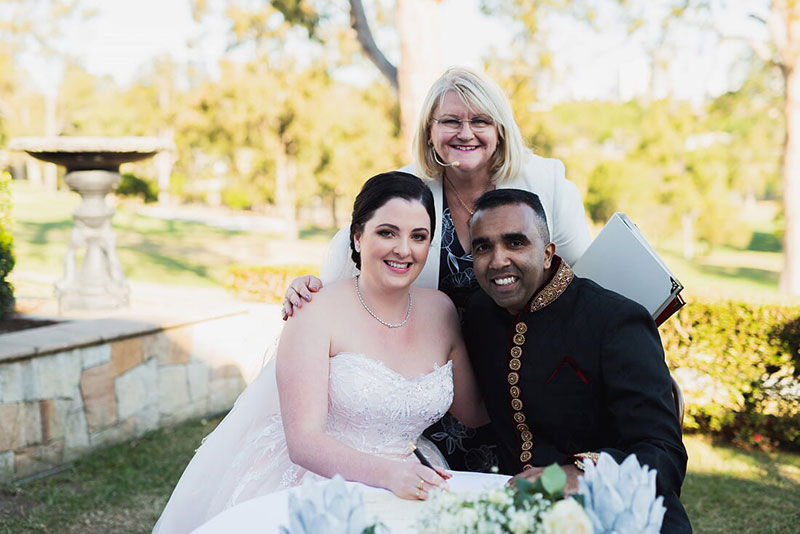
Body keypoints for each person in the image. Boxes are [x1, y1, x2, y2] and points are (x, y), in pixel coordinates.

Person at [282, 66, 591, 471]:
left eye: (479, 120)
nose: (465, 133)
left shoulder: (546, 183)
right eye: (450, 121)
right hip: (429, 393)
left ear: (499, 129)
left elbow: (591, 282)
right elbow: (351, 268)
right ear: (430, 131)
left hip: (520, 385)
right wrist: (306, 287)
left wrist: (635, 365)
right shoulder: (405, 188)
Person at [153, 172, 487, 534]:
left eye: (418, 237)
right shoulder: (314, 308)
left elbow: (476, 413)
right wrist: (391, 474)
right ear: (357, 237)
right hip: (319, 483)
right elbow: (304, 442)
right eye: (387, 232)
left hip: (415, 480)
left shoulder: (441, 311)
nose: (403, 249)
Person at [464, 188, 692, 533]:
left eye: (515, 243)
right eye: (483, 247)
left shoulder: (615, 320)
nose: (498, 260)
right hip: (519, 517)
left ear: (547, 253)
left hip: (617, 517)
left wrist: (574, 474)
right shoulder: (479, 314)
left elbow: (663, 454)